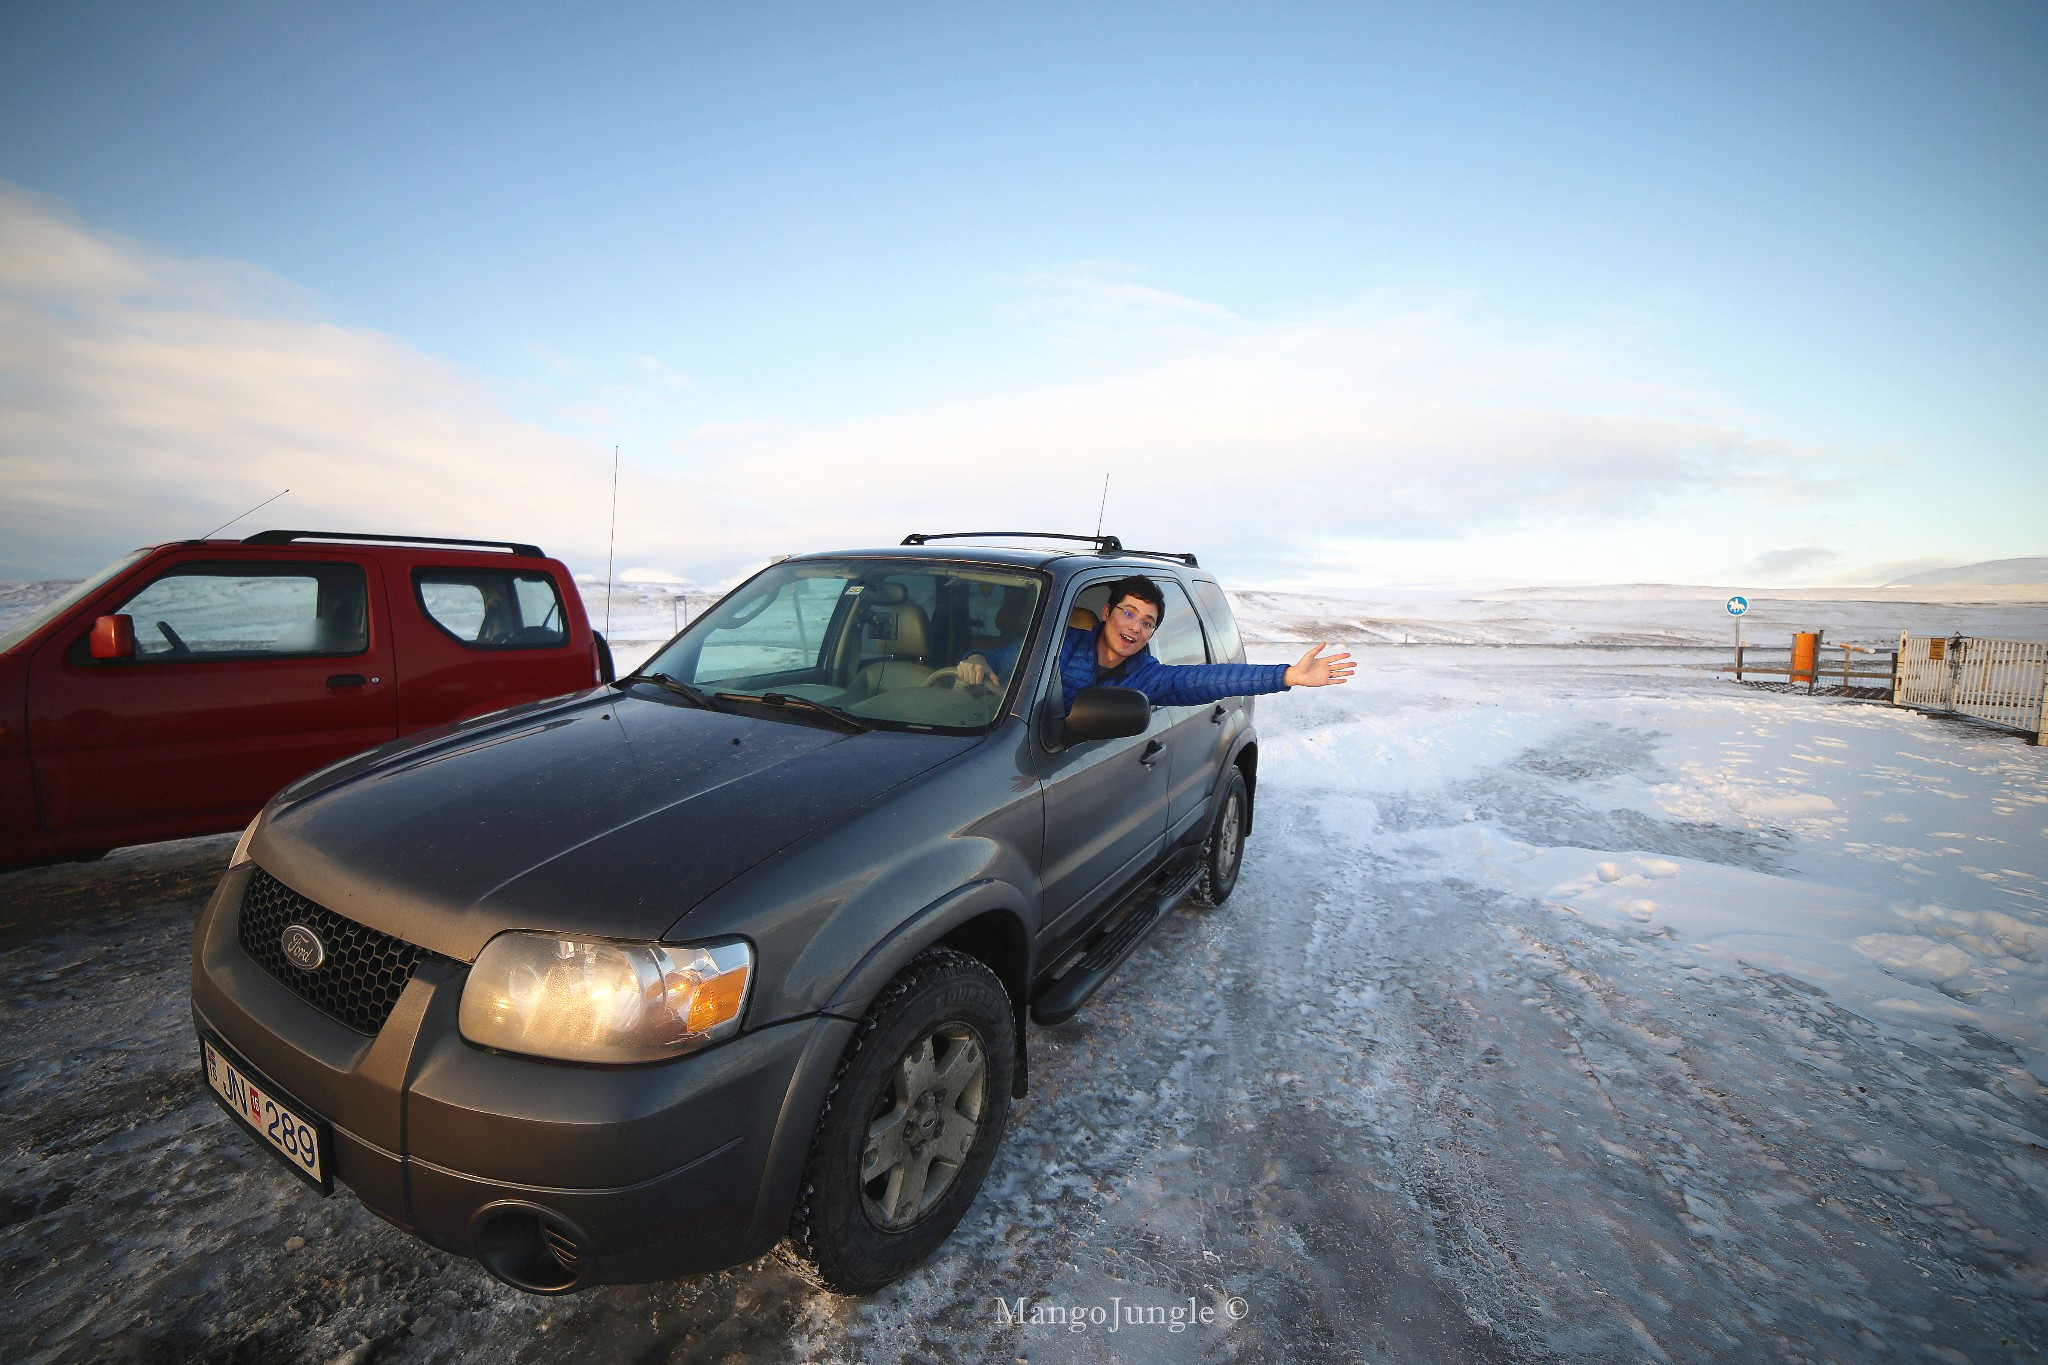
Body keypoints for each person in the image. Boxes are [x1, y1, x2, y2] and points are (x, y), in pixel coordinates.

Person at [955, 574, 1353, 709]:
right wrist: (976, 658)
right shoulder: (1060, 647)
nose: (1135, 628)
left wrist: (1286, 676)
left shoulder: (1146, 676)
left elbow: (1208, 680)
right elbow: (1006, 658)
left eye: (1147, 623)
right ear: (1107, 613)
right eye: (1128, 613)